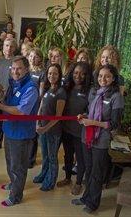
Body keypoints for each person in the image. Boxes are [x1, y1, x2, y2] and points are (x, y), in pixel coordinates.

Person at [72, 64, 124, 213]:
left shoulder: (116, 97)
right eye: (100, 76)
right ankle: (85, 197)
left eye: (107, 76)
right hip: (87, 136)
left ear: (113, 78)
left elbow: (114, 124)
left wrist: (93, 122)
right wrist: (83, 116)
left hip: (101, 140)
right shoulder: (94, 92)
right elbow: (90, 112)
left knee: (96, 172)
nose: (103, 79)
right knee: (88, 169)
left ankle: (93, 203)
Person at [0, 56, 39, 206]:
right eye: (13, 68)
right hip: (10, 130)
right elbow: (7, 99)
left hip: (22, 134)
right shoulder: (14, 83)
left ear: (26, 69)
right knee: (10, 162)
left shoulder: (31, 88)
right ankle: (14, 184)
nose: (15, 71)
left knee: (18, 167)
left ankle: (16, 196)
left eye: (19, 68)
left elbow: (21, 111)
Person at [56, 62, 91, 195]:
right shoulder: (67, 88)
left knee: (80, 158)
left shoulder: (89, 91)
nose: (78, 76)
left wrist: (85, 115)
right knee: (68, 155)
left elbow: (91, 111)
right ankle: (67, 178)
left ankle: (78, 183)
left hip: (80, 132)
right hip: (67, 129)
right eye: (76, 73)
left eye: (82, 73)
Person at [34, 63, 66, 191]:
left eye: (55, 73)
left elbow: (58, 116)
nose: (52, 76)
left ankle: (50, 181)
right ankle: (43, 174)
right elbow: (41, 108)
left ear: (59, 75)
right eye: (50, 73)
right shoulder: (48, 89)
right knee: (45, 155)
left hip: (53, 131)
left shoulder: (61, 92)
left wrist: (45, 128)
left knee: (52, 157)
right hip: (42, 128)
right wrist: (37, 122)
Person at [0, 38, 17, 150]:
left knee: (9, 122)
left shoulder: (16, 62)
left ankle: (9, 144)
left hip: (10, 97)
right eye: (6, 45)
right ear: (3, 47)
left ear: (15, 48)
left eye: (11, 46)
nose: (9, 48)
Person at [27, 48, 45, 168]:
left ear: (40, 58)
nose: (33, 58)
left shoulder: (42, 73)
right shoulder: (26, 70)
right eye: (31, 56)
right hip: (24, 105)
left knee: (33, 134)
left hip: (35, 105)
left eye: (36, 56)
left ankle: (31, 159)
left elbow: (41, 92)